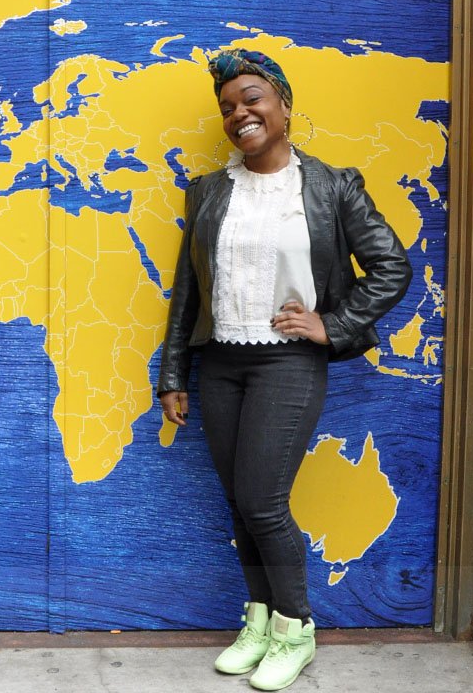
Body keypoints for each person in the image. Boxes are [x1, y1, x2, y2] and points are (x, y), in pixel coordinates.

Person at [158, 49, 412, 691]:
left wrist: (333, 323)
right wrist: (174, 374)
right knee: (241, 504)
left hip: (288, 364)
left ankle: (295, 628)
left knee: (265, 503)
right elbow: (189, 288)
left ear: (284, 106)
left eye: (252, 99)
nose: (239, 113)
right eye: (227, 108)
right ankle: (260, 620)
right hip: (220, 364)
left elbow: (391, 266)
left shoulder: (332, 186)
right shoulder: (211, 191)